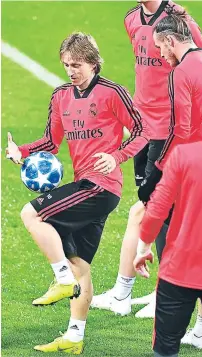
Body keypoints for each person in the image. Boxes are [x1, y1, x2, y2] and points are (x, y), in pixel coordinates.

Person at [93, 8, 202, 350]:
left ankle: (138, 292)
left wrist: (159, 170)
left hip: (196, 163)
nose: (158, 55)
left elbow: (180, 129)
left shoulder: (181, 71)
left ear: (171, 41)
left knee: (162, 222)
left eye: (160, 48)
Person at [6, 32, 149, 354]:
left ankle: (61, 279)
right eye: (67, 65)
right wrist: (22, 151)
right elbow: (50, 142)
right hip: (86, 184)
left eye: (77, 65)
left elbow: (143, 130)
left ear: (94, 63)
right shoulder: (60, 96)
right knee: (79, 263)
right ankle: (74, 336)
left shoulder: (113, 92)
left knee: (32, 213)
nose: (71, 71)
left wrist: (117, 156)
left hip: (101, 185)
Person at [134, 89, 202, 357]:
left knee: (166, 350)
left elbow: (155, 210)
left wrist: (143, 247)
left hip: (178, 273)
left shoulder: (183, 156)